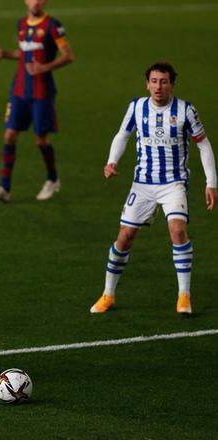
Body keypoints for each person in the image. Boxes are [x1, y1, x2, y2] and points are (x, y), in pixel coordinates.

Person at [90, 62, 217, 315]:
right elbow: (122, 135)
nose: (159, 86)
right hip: (143, 183)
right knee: (125, 237)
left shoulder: (185, 110)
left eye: (164, 81)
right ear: (147, 83)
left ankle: (184, 296)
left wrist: (211, 182)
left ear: (172, 85)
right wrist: (111, 161)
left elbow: (203, 144)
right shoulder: (136, 107)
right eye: (154, 81)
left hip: (173, 183)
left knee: (178, 230)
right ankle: (108, 294)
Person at [0, 0, 73, 203]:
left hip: (42, 92)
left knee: (40, 139)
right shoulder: (21, 24)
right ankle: (4, 189)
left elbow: (68, 55)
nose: (36, 2)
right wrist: (4, 54)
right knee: (9, 135)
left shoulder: (53, 25)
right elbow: (24, 53)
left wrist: (45, 67)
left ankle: (52, 179)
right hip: (19, 90)